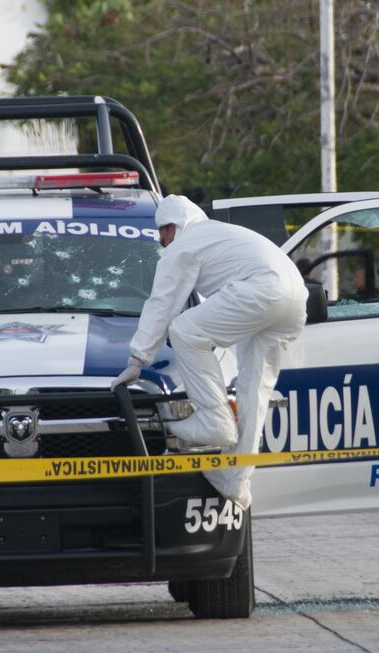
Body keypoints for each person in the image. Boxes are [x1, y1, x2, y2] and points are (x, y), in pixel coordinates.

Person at [111, 195, 308, 509]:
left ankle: (213, 418)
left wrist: (138, 359)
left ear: (174, 225)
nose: (160, 240)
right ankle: (235, 480)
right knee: (254, 389)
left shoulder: (184, 245)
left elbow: (163, 303)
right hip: (295, 296)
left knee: (183, 330)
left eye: (162, 230)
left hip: (262, 289)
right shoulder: (218, 234)